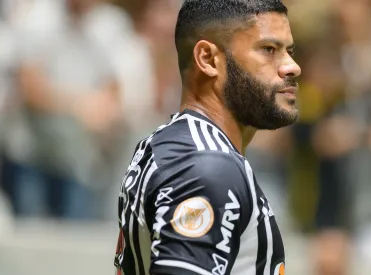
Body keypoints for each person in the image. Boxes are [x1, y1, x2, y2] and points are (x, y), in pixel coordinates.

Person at [113, 0, 301, 274]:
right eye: (269, 49)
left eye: (289, 51)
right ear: (208, 59)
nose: (292, 66)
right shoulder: (206, 164)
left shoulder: (174, 145)